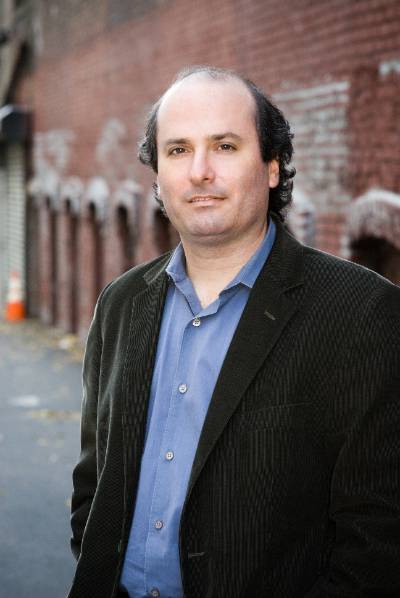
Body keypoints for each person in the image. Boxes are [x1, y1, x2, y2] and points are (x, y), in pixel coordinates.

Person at [68, 66, 400, 598]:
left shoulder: (361, 313)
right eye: (177, 151)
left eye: (224, 146)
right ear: (157, 177)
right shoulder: (121, 303)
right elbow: (95, 481)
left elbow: (379, 540)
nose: (199, 171)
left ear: (272, 166)